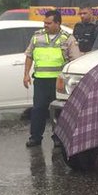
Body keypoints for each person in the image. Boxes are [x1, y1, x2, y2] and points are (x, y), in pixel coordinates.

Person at [23, 9, 80, 147]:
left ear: (57, 23)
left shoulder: (67, 38)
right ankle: (35, 137)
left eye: (49, 23)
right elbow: (29, 56)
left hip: (58, 81)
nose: (45, 25)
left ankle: (58, 137)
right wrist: (26, 74)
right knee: (38, 109)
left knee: (59, 111)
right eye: (44, 22)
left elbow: (76, 60)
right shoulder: (37, 37)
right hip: (41, 80)